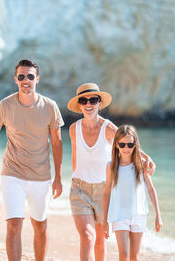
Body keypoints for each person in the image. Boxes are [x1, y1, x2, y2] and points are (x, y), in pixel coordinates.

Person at [67, 83, 155, 261]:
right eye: (84, 100)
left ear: (99, 103)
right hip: (79, 190)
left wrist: (147, 158)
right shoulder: (73, 129)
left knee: (100, 241)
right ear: (80, 105)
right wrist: (74, 178)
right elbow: (75, 157)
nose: (89, 104)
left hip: (103, 191)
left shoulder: (108, 128)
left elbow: (129, 142)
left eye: (93, 100)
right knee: (87, 237)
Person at [0, 59, 64, 261]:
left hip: (41, 176)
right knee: (14, 224)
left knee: (40, 225)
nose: (25, 80)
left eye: (30, 76)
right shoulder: (5, 105)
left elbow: (57, 143)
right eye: (21, 76)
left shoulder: (50, 106)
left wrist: (58, 177)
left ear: (37, 79)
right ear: (16, 79)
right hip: (13, 173)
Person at [103, 125, 162, 261]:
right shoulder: (111, 166)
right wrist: (105, 221)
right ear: (117, 145)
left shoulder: (142, 165)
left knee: (134, 257)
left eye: (130, 144)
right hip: (119, 215)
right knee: (124, 255)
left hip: (138, 215)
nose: (126, 148)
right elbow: (106, 193)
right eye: (122, 144)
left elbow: (151, 190)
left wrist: (158, 215)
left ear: (135, 145)